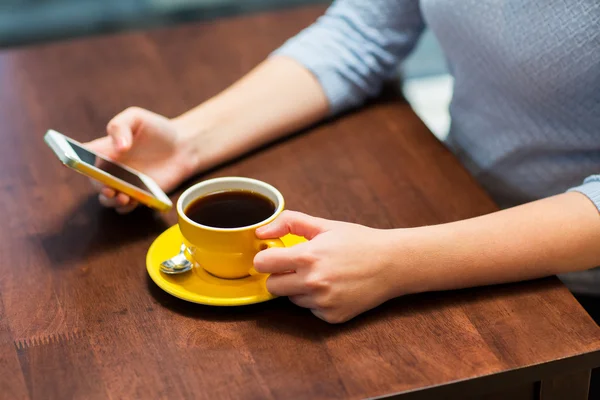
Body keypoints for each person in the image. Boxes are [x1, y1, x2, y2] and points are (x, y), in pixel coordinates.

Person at [87, 0, 600, 324]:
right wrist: (187, 141)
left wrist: (400, 263)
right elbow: (361, 32)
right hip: (457, 194)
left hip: (571, 287)